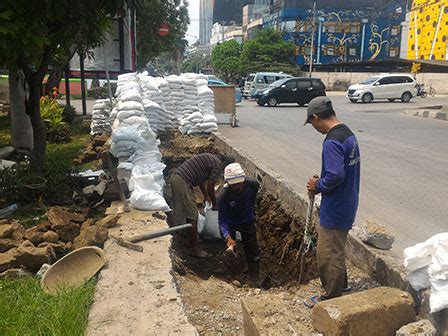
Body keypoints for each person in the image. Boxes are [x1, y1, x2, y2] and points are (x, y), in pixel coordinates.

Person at [302, 96, 361, 308]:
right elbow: (341, 170)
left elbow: (336, 175)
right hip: (348, 201)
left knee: (327, 253)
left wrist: (317, 186)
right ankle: (342, 285)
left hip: (336, 207)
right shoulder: (348, 134)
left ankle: (331, 297)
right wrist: (322, 179)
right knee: (337, 247)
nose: (314, 128)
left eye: (312, 123)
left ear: (317, 118)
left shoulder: (331, 141)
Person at [170, 153, 233, 258]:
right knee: (193, 215)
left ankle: (188, 240)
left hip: (178, 179)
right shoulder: (218, 165)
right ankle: (195, 249)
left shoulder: (211, 159)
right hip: (183, 182)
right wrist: (214, 203)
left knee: (186, 212)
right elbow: (210, 185)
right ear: (225, 164)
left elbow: (200, 179)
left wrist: (206, 195)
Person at [218, 163, 261, 284]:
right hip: (230, 222)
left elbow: (253, 198)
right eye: (234, 184)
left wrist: (251, 210)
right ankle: (233, 277)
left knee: (253, 251)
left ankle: (255, 278)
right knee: (230, 252)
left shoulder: (252, 184)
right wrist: (227, 236)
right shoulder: (223, 196)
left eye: (239, 183)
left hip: (247, 219)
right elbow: (222, 220)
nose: (238, 186)